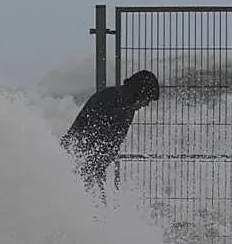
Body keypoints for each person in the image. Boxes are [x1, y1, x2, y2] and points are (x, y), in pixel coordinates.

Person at [60, 69, 160, 199]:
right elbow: (94, 138)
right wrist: (93, 170)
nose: (146, 104)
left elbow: (112, 142)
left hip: (89, 163)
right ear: (138, 93)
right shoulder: (113, 101)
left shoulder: (127, 106)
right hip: (77, 159)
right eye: (146, 99)